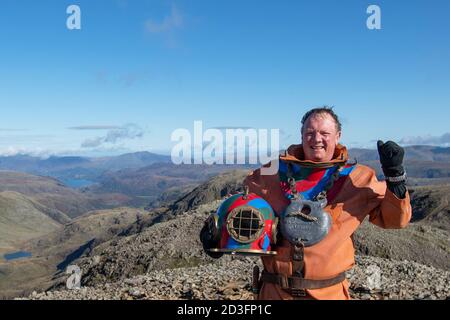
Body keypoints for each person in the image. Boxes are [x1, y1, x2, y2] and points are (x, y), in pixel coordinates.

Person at [239, 106, 412, 300]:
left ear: (338, 136)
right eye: (310, 133)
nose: (316, 139)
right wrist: (216, 232)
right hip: (275, 292)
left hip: (329, 293)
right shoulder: (269, 175)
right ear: (302, 135)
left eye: (324, 133)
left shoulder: (358, 178)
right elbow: (241, 213)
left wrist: (395, 177)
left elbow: (395, 221)